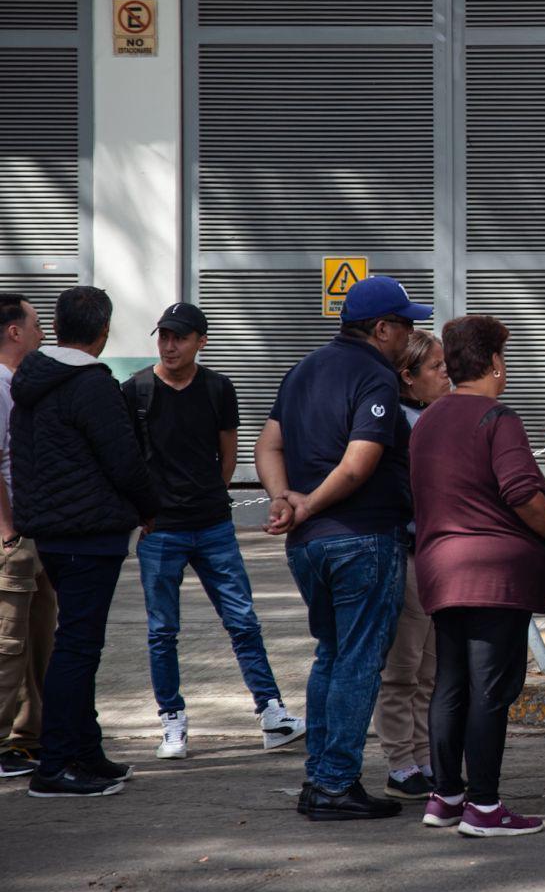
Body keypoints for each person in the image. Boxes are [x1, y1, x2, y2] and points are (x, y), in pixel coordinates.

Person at [257, 275, 430, 822]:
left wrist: (283, 497)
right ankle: (335, 783)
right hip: (361, 536)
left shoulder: (302, 369)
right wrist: (303, 505)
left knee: (331, 655)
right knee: (358, 660)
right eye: (406, 324)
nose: (410, 335)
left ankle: (320, 778)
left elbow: (269, 444)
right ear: (382, 329)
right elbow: (358, 465)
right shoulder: (375, 377)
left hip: (309, 546)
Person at [125, 302, 303, 761]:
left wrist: (208, 496)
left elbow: (228, 457)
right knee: (162, 631)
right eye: (163, 336)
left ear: (201, 341)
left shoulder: (218, 388)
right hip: (160, 531)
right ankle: (172, 722)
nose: (169, 345)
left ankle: (271, 713)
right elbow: (124, 461)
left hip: (213, 526)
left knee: (243, 621)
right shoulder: (136, 391)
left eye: (179, 337)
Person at [411, 316, 545, 838]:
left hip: (440, 567)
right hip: (494, 574)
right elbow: (523, 491)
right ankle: (484, 806)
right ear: (496, 363)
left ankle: (445, 796)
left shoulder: (428, 420)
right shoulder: (498, 419)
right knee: (490, 690)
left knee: (449, 683)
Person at [10, 286, 160, 798]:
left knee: (79, 645)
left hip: (52, 532)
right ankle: (56, 766)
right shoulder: (91, 384)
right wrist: (149, 508)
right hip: (89, 534)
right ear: (103, 330)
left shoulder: (31, 381)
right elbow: (124, 461)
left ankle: (84, 751)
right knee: (77, 647)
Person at [375, 329, 451, 801]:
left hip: (436, 555)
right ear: (408, 377)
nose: (446, 373)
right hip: (407, 552)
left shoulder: (435, 415)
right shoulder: (398, 423)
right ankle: (399, 763)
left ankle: (424, 756)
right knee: (402, 668)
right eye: (436, 367)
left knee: (430, 669)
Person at [0, 293, 57, 781]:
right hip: (13, 541)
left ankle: (28, 737)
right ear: (14, 332)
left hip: (35, 534)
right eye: (36, 323)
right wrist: (9, 532)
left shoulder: (20, 385)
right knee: (9, 643)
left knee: (39, 640)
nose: (43, 332)